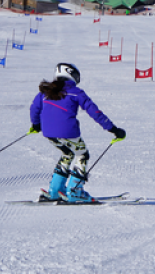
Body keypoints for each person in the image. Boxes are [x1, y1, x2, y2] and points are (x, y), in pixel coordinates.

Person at [29, 63, 126, 203]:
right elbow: (94, 112)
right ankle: (75, 192)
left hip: (49, 133)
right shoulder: (76, 92)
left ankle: (55, 191)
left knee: (67, 154)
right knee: (82, 155)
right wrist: (113, 129)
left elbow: (34, 109)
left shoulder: (44, 92)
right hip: (68, 132)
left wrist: (36, 125)